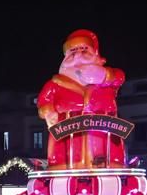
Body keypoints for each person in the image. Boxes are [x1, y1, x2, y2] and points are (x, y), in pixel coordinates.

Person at [36, 29, 127, 168]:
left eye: (84, 49)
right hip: (66, 131)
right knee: (65, 156)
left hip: (103, 129)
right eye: (73, 51)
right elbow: (44, 100)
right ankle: (62, 169)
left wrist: (104, 75)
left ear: (94, 53)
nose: (78, 54)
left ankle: (108, 165)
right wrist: (47, 110)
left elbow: (119, 77)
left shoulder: (106, 79)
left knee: (106, 154)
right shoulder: (55, 83)